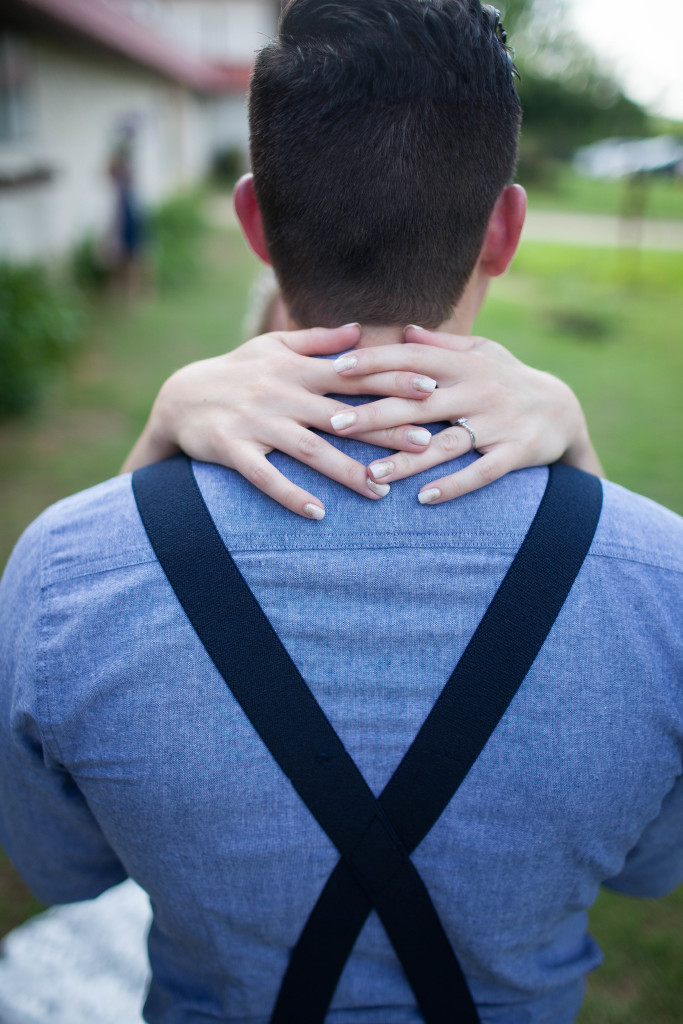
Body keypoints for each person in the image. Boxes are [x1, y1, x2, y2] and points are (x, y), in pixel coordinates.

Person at [0, 4, 681, 1024]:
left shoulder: (65, 572)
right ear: (502, 228)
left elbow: (61, 871)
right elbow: (648, 871)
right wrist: (581, 468)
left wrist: (148, 458)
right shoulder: (661, 583)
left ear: (254, 221)